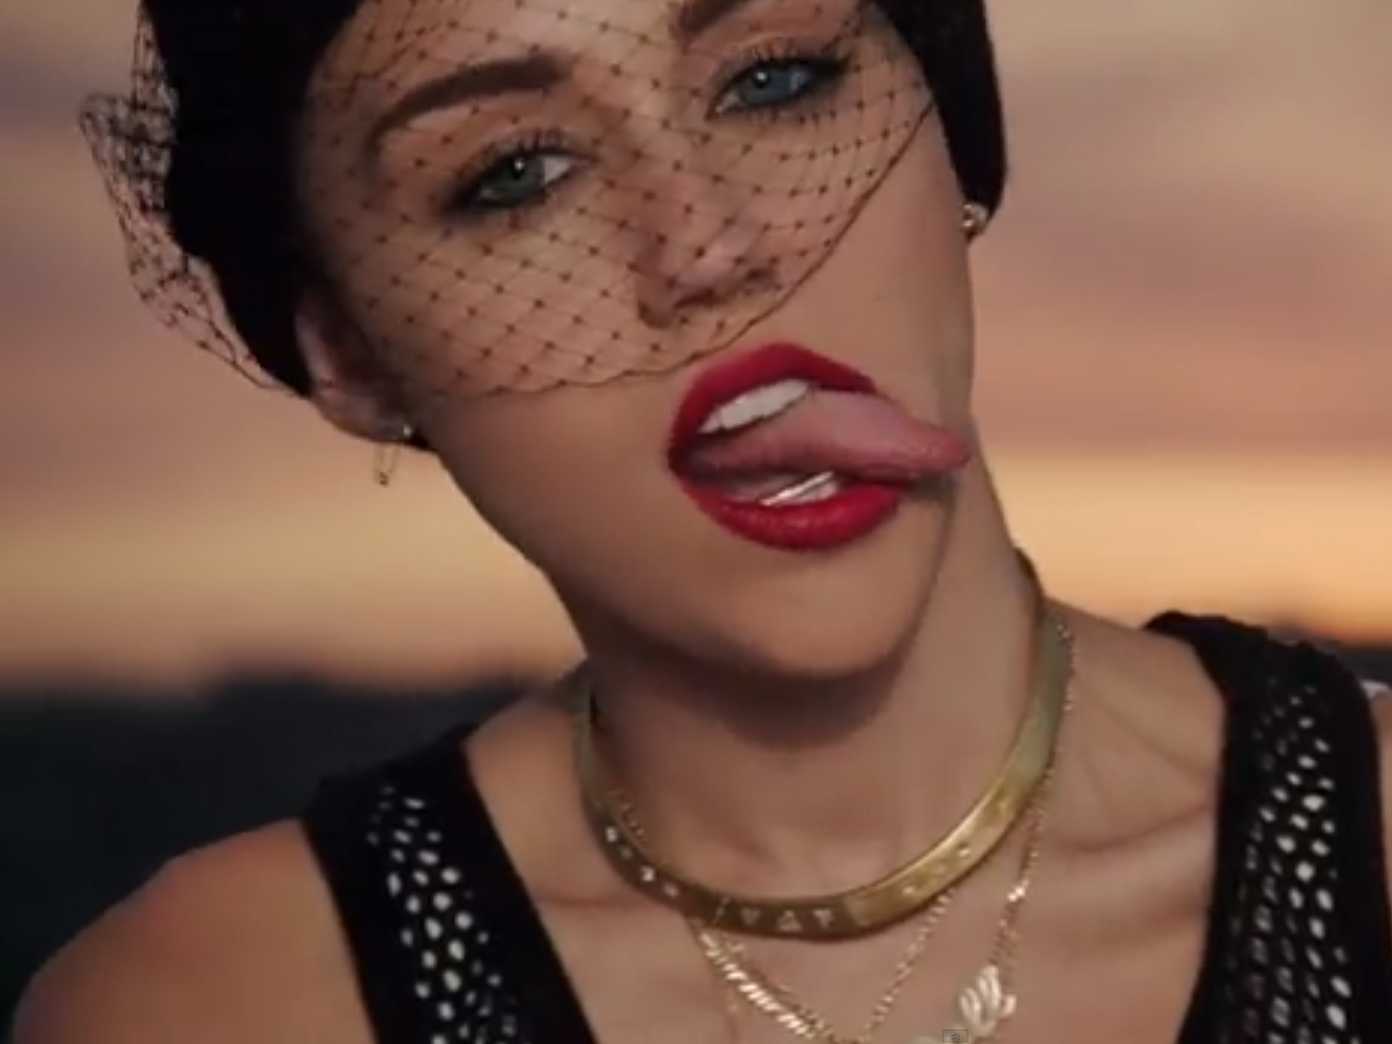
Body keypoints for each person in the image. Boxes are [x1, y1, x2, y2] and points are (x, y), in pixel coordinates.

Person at [14, 1, 1392, 1041]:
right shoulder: (218, 1002)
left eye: (776, 79)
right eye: (514, 173)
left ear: (950, 120)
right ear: (350, 354)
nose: (708, 250)